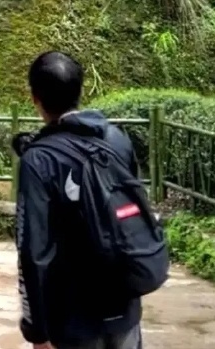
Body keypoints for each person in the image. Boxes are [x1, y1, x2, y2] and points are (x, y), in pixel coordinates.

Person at [15, 51, 146, 349]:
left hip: (73, 318)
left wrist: (37, 330)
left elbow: (33, 251)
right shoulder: (116, 140)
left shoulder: (39, 158)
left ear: (35, 97)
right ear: (79, 91)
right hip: (124, 308)